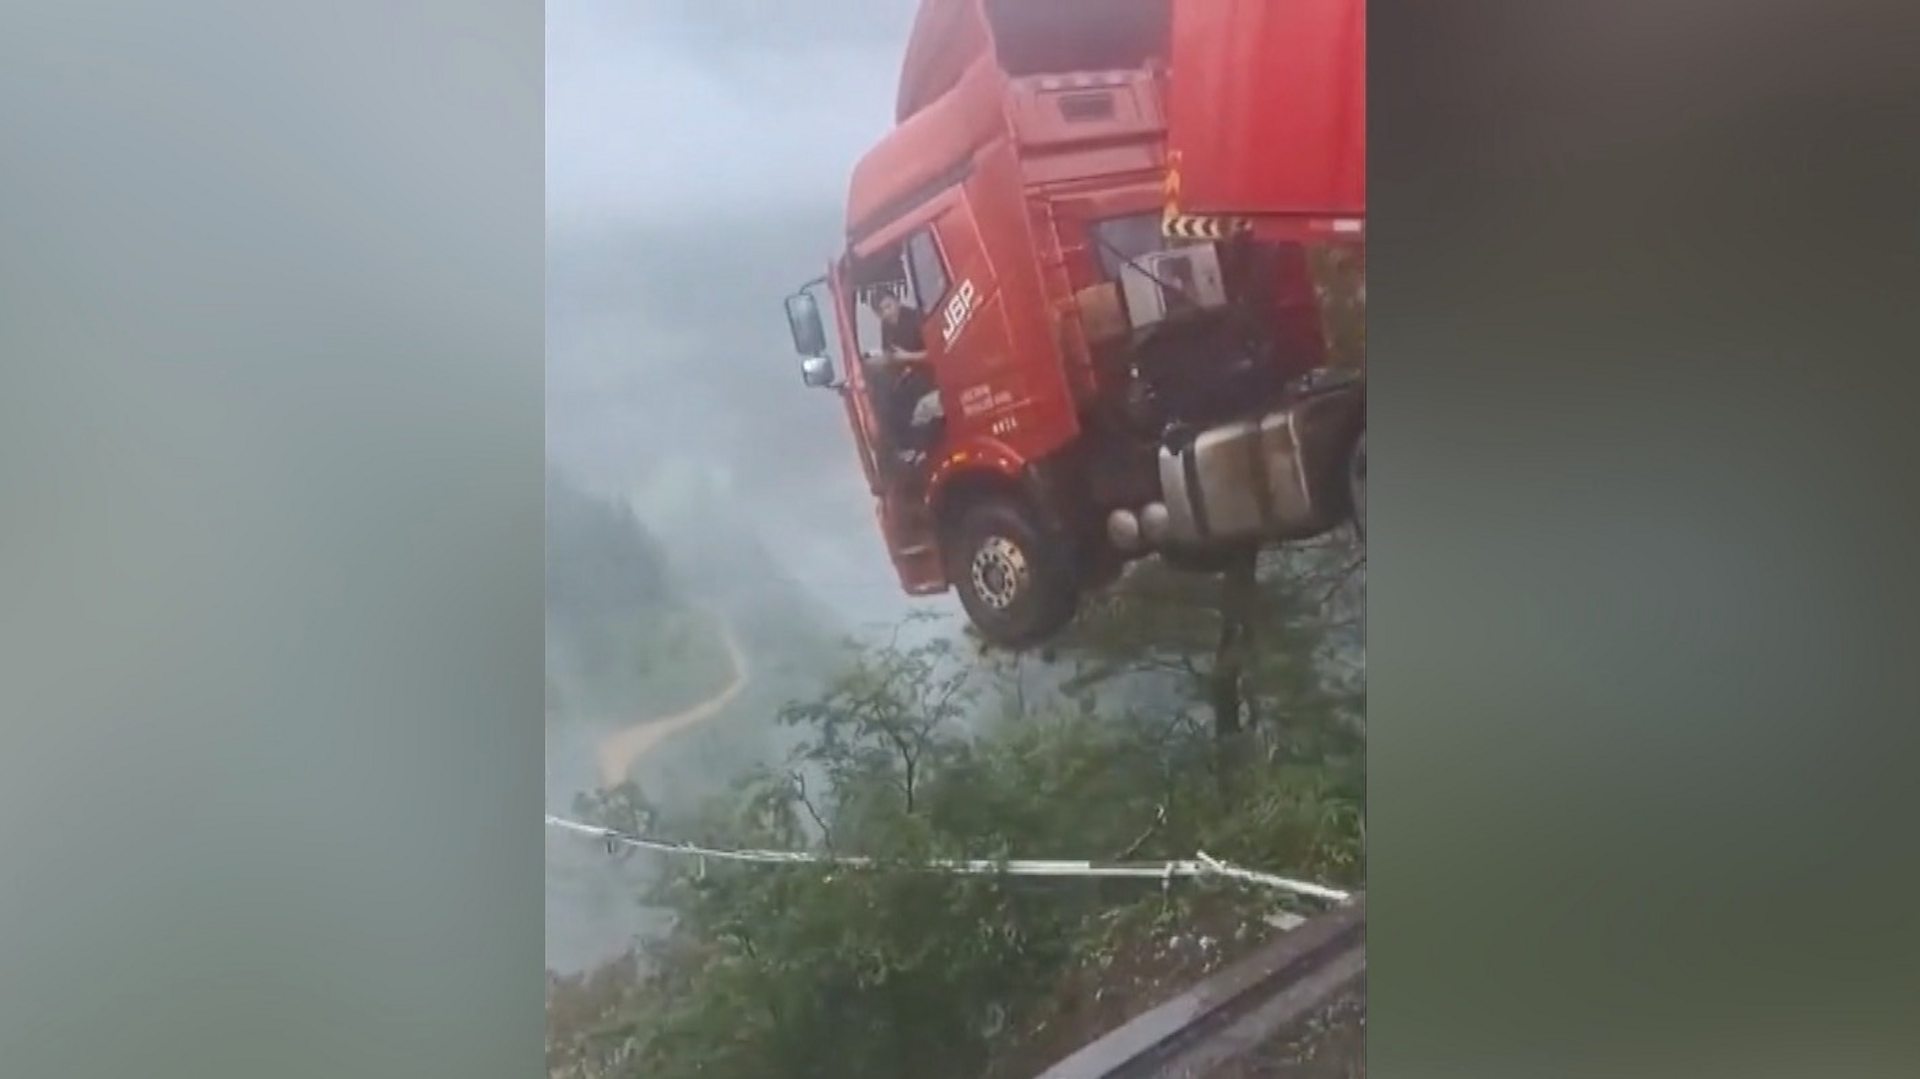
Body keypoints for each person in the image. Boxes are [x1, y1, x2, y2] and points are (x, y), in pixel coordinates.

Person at [862, 292, 942, 472]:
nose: (887, 313)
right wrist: (881, 359)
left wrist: (907, 357)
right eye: (881, 311)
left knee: (906, 402)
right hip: (906, 375)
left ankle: (918, 448)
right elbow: (891, 354)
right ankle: (903, 450)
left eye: (888, 307)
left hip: (929, 373)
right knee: (884, 396)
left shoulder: (915, 318)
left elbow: (935, 352)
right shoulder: (886, 326)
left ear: (897, 302)